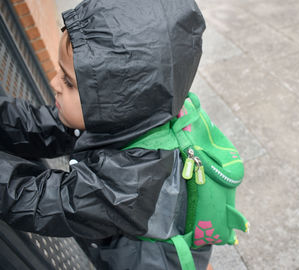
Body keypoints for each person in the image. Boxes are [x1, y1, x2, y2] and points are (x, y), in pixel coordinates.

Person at [0, 0, 212, 269]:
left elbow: (39, 200)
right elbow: (41, 127)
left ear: (116, 101)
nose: (54, 83)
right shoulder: (133, 115)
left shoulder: (130, 183)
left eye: (68, 81)